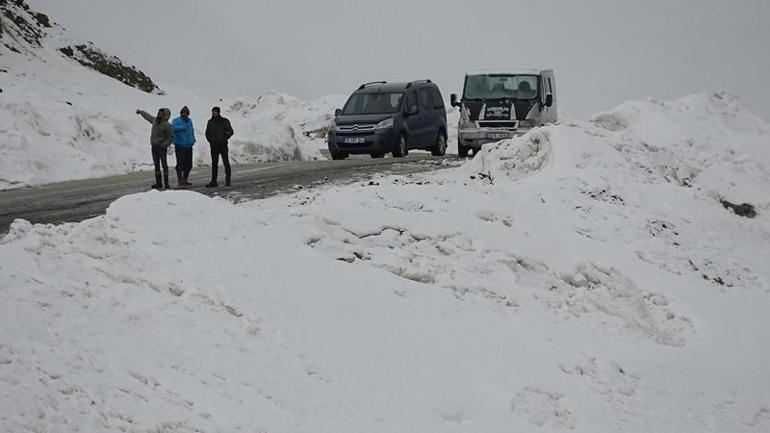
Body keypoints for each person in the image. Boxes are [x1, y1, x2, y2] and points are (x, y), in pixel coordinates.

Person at [136, 107, 173, 189]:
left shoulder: (167, 125)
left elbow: (170, 138)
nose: (158, 114)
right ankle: (158, 183)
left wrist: (164, 145)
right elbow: (148, 116)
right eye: (158, 113)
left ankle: (166, 183)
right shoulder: (154, 121)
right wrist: (141, 112)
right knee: (156, 165)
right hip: (154, 147)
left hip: (162, 148)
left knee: (164, 165)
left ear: (165, 115)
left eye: (160, 113)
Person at [204, 106, 234, 187]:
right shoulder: (210, 122)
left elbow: (231, 131)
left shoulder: (224, 121)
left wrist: (225, 138)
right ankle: (214, 181)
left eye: (215, 112)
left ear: (218, 112)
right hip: (214, 146)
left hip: (223, 145)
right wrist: (210, 141)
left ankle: (228, 180)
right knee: (214, 163)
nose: (214, 113)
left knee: (226, 162)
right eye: (213, 112)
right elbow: (207, 133)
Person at [172, 106, 196, 186]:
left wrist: (193, 139)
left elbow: (191, 131)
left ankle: (185, 178)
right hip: (180, 145)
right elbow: (173, 128)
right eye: (183, 113)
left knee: (189, 165)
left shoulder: (189, 121)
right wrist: (182, 128)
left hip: (189, 145)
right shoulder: (176, 120)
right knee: (180, 163)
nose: (184, 114)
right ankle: (180, 179)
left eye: (186, 113)